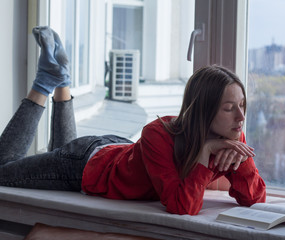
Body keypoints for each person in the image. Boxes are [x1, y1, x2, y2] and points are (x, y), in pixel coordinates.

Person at [0, 26, 266, 215]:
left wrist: (242, 161)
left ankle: (61, 80)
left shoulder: (232, 135)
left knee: (58, 149)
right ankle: (45, 82)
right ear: (203, 111)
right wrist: (205, 152)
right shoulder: (158, 133)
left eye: (242, 105)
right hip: (85, 165)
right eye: (229, 108)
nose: (241, 117)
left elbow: (254, 198)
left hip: (117, 149)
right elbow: (181, 206)